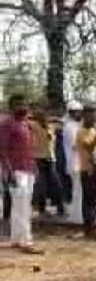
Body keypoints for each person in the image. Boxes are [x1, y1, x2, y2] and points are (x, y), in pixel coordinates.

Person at [0, 94, 42, 254]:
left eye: (24, 103)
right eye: (18, 104)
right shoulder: (7, 124)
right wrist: (8, 171)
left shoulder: (25, 123)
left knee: (21, 205)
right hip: (16, 170)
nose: (23, 107)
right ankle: (26, 240)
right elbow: (2, 149)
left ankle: (17, 238)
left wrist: (34, 166)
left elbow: (29, 148)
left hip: (28, 168)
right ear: (11, 107)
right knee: (23, 206)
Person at [29, 109, 64, 217]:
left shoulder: (51, 127)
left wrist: (53, 119)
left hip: (50, 159)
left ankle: (60, 207)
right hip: (39, 158)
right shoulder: (34, 125)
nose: (43, 118)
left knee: (56, 184)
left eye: (44, 115)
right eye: (40, 116)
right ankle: (42, 209)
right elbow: (25, 120)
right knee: (41, 185)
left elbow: (62, 123)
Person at [76, 112, 96, 237]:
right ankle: (88, 227)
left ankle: (94, 225)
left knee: (94, 199)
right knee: (88, 200)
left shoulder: (94, 130)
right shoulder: (81, 132)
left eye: (94, 116)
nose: (93, 118)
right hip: (86, 169)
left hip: (95, 169)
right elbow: (89, 147)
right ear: (85, 116)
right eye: (90, 115)